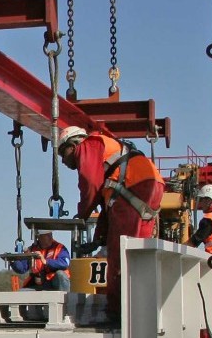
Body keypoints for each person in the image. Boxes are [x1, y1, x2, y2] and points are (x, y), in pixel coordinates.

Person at [54, 125, 165, 322]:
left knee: (119, 254)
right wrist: (98, 239)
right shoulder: (108, 160)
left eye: (63, 153)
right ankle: (141, 308)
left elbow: (90, 186)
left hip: (135, 186)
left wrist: (82, 214)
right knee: (138, 253)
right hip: (148, 185)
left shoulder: (88, 146)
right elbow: (107, 210)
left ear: (74, 144)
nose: (63, 161)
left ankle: (117, 312)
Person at [188, 183, 212, 256]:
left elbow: (195, 241)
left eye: (201, 200)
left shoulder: (209, 219)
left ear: (208, 200)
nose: (200, 203)